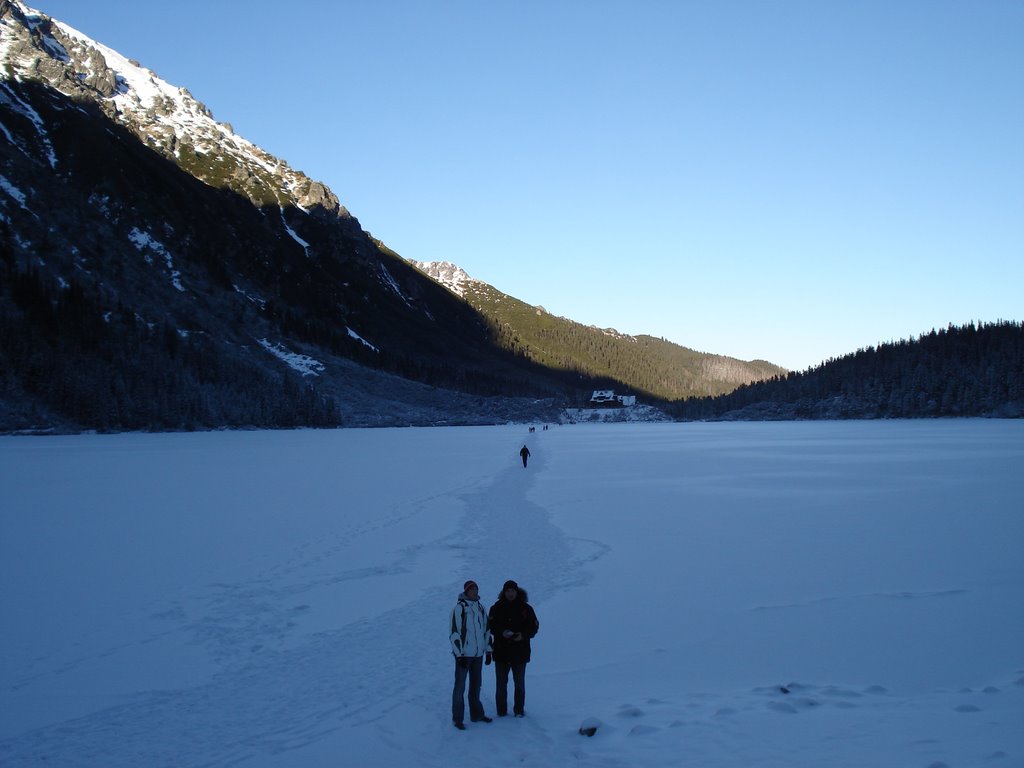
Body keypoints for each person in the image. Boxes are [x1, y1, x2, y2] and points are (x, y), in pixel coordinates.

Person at [488, 579, 540, 718]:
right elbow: (491, 626)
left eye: (512, 591)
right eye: (508, 591)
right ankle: (501, 711)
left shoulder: (526, 608)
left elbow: (534, 627)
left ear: (517, 592)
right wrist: (501, 633)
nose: (510, 594)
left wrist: (522, 636)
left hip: (520, 652)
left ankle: (519, 710)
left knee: (519, 685)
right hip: (501, 651)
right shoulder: (496, 608)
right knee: (501, 685)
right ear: (504, 592)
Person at [449, 580, 493, 730]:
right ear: (466, 591)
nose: (475, 591)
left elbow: (487, 631)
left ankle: (477, 714)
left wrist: (488, 651)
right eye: (472, 589)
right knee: (460, 686)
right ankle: (457, 719)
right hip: (464, 655)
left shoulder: (481, 608)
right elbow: (454, 632)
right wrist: (459, 654)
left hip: (478, 655)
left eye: (476, 589)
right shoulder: (459, 608)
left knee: (476, 685)